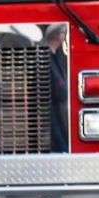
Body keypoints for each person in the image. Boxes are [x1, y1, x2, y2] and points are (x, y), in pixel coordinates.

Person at [43, 24, 69, 153]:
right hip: (50, 110)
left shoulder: (54, 56)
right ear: (58, 35)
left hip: (57, 109)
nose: (65, 37)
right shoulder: (45, 59)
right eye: (64, 33)